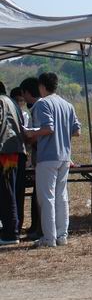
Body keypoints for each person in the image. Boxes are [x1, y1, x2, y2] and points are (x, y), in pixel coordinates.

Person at [25, 73, 81, 248]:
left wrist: (31, 132)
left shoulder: (43, 103)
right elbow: (77, 131)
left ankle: (49, 237)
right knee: (61, 196)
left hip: (48, 156)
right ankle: (62, 235)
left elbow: (48, 128)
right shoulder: (67, 105)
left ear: (42, 86)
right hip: (64, 156)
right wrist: (63, 133)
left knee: (47, 198)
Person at [0, 81, 26, 245]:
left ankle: (10, 233)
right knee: (14, 192)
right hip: (16, 152)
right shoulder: (12, 102)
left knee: (6, 192)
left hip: (5, 153)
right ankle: (14, 229)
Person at [20, 77, 42, 239]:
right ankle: (37, 228)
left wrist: (27, 136)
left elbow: (39, 134)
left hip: (43, 158)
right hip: (44, 158)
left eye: (23, 95)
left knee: (40, 197)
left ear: (27, 92)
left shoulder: (39, 107)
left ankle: (38, 229)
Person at [9, 87, 29, 234]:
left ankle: (16, 224)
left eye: (21, 100)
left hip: (15, 156)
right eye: (17, 100)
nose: (20, 103)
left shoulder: (24, 114)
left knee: (15, 190)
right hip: (14, 154)